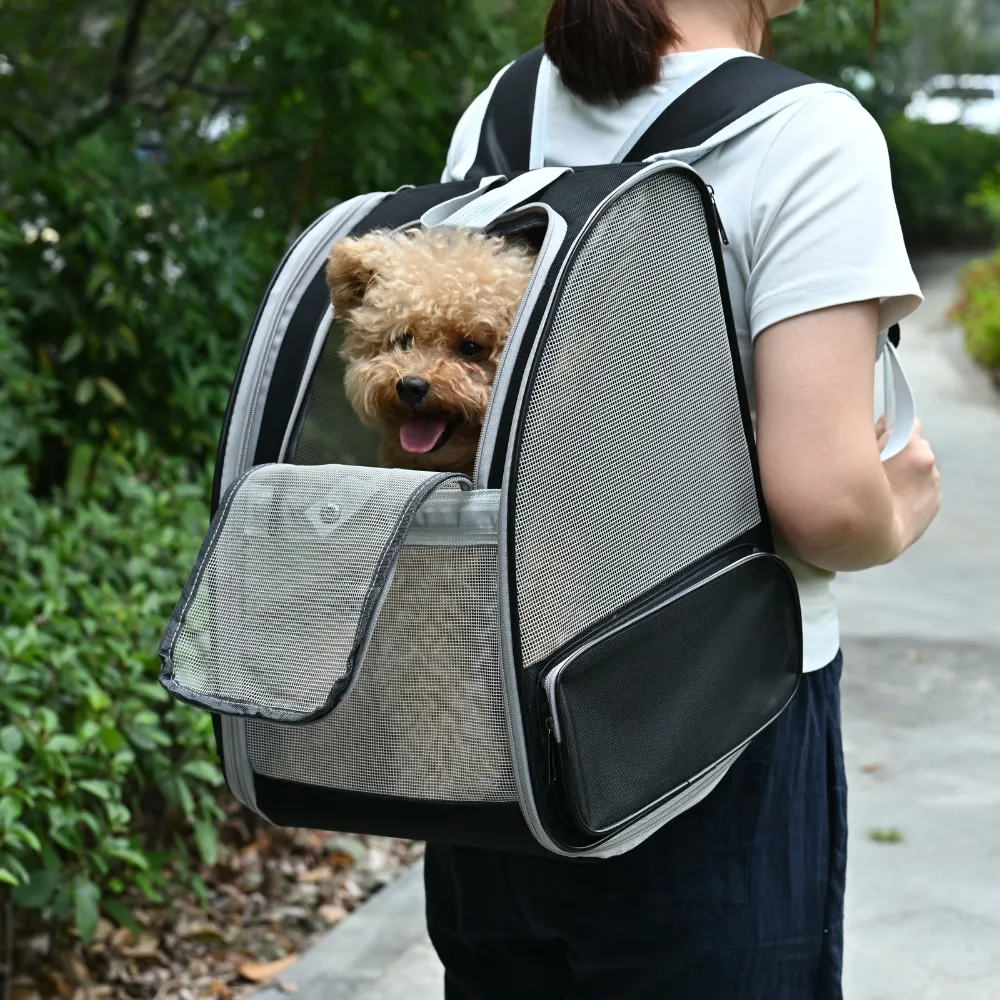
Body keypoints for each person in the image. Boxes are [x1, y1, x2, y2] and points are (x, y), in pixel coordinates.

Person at [424, 0, 943, 996]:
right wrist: (901, 504)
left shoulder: (504, 110)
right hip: (717, 732)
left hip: (507, 721)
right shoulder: (809, 134)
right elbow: (824, 503)